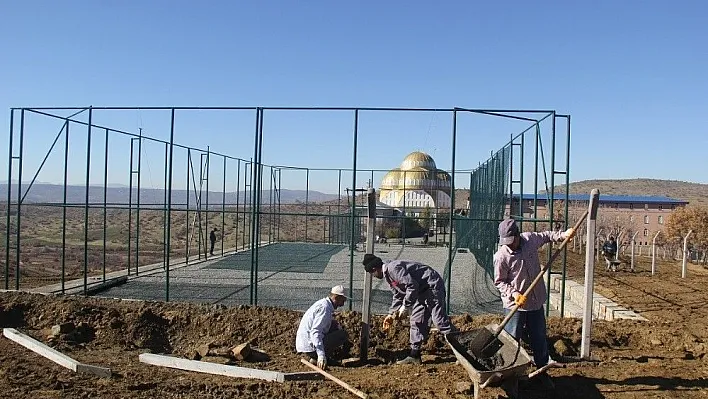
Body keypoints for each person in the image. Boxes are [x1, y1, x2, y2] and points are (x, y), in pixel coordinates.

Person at [493, 219, 575, 378]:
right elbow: (499, 281)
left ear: (517, 235)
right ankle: (510, 371)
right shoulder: (501, 256)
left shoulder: (529, 239)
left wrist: (562, 235)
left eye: (511, 241)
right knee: (512, 339)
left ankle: (542, 368)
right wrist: (514, 293)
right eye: (506, 242)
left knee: (538, 336)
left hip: (535, 300)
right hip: (515, 305)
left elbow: (546, 236)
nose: (509, 245)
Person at [362, 254, 456, 365]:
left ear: (374, 269)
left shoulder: (393, 269)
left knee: (439, 322)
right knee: (416, 320)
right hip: (420, 292)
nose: (373, 276)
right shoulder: (388, 275)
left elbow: (412, 285)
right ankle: (414, 355)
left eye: (372, 274)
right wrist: (391, 313)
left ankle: (464, 348)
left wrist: (405, 306)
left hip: (431, 287)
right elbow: (397, 294)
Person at [295, 285, 350, 370]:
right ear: (337, 297)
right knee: (343, 335)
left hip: (305, 344)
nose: (343, 303)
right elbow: (315, 332)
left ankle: (315, 358)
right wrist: (321, 355)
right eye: (343, 300)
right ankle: (320, 358)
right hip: (310, 346)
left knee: (334, 325)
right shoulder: (324, 309)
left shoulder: (323, 304)